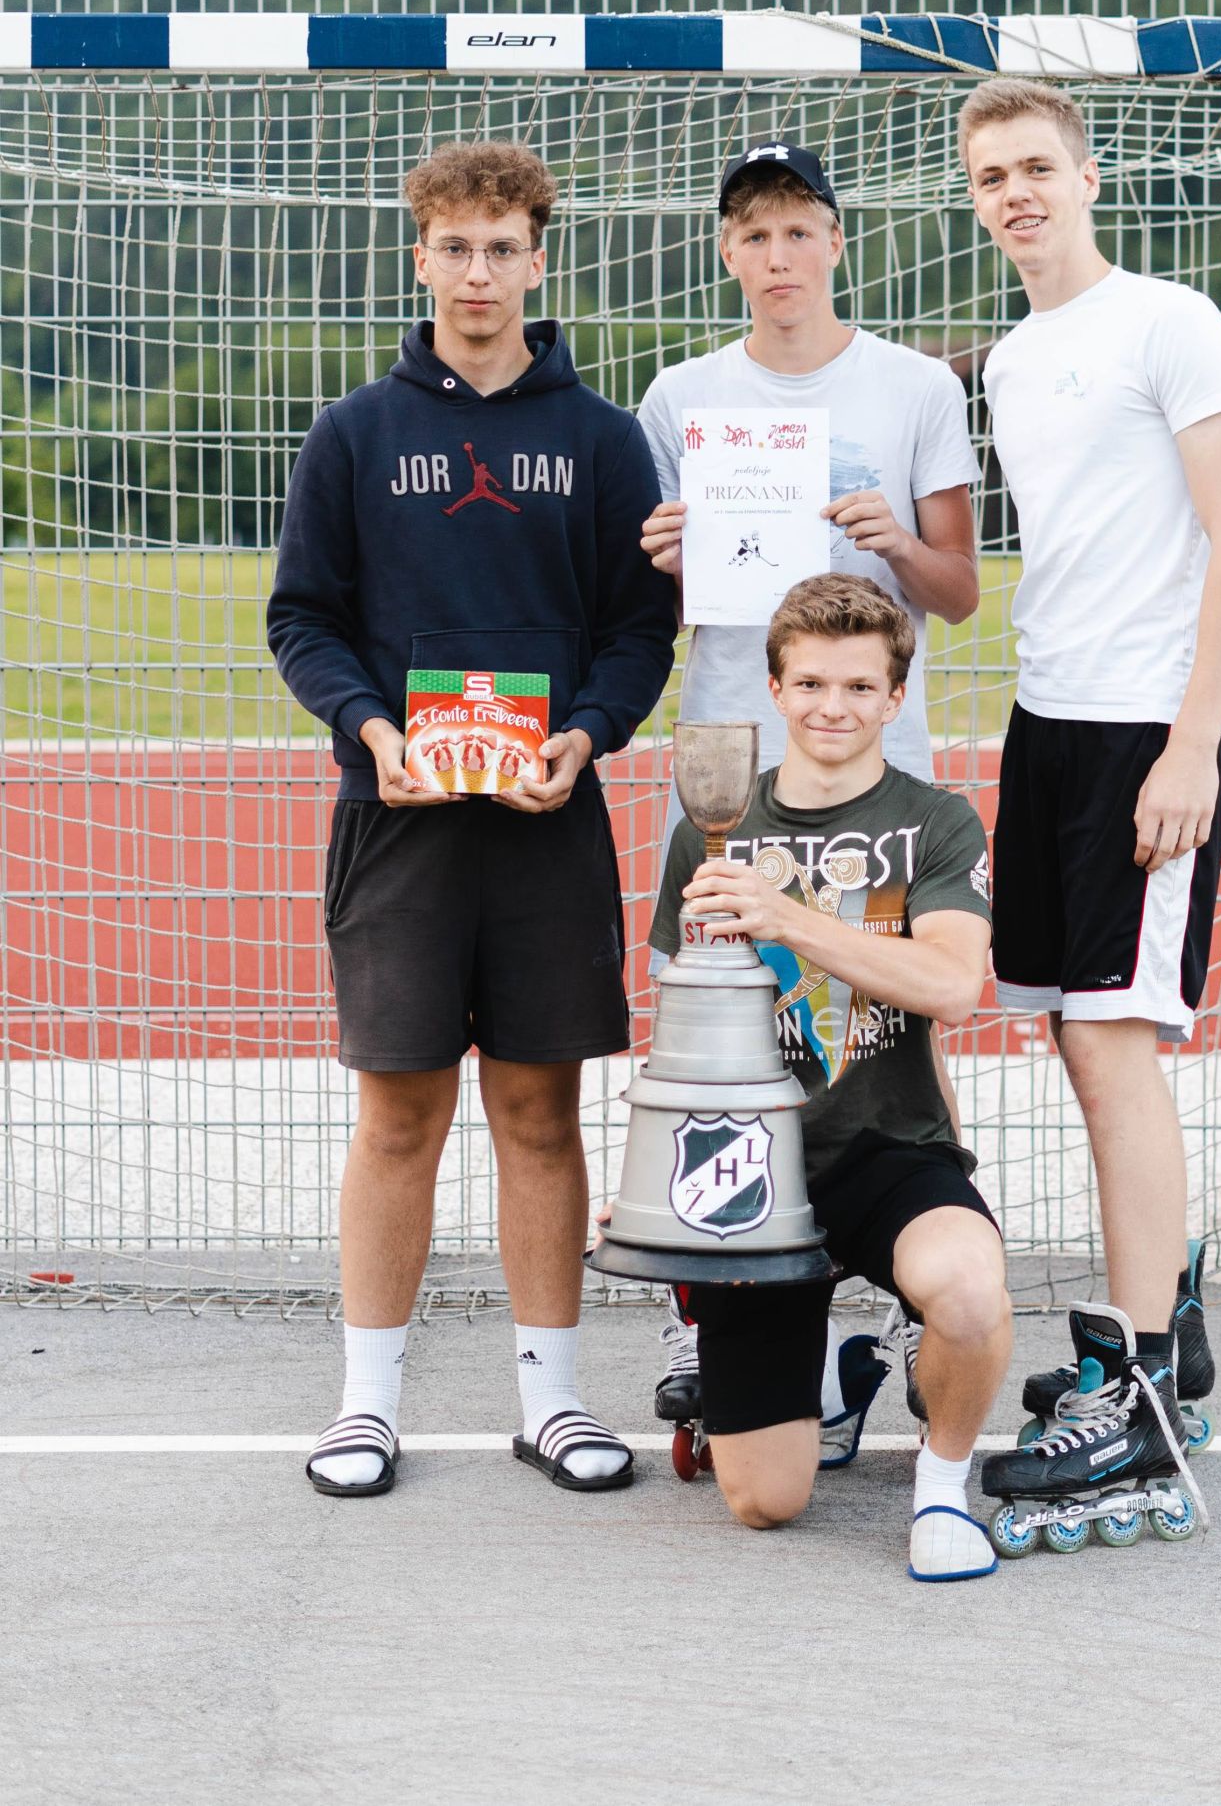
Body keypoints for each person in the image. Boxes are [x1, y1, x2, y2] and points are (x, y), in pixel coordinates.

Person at [268, 140, 677, 1500]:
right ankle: (363, 1404)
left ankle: (551, 1401)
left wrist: (586, 732)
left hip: (545, 817)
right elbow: (303, 619)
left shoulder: (601, 440)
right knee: (398, 1112)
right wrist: (373, 731)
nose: (479, 271)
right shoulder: (354, 434)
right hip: (398, 817)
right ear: (420, 259)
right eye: (455, 247)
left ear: (538, 262)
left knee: (539, 1112)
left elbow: (638, 629)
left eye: (502, 247)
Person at [958, 77, 1221, 1536]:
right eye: (990, 177)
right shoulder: (1014, 359)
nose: (1015, 193)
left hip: (1149, 726)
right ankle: (1163, 1319)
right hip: (1049, 722)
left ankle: (1137, 1389)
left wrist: (1192, 744)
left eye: (1035, 166)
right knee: (1074, 1036)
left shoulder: (1167, 319)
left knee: (1111, 1038)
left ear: (1085, 177)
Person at [635, 140, 984, 1439]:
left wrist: (896, 541)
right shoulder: (680, 395)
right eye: (751, 233)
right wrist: (660, 558)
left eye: (796, 230)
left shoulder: (912, 388)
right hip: (730, 757)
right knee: (721, 1020)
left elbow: (957, 590)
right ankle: (724, 1301)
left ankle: (911, 1296)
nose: (775, 255)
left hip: (873, 761)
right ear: (725, 250)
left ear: (835, 241)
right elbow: (668, 602)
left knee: (894, 1024)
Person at [650, 575, 1009, 1582]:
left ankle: (941, 1489)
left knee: (968, 1290)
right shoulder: (711, 832)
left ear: (894, 696)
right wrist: (658, 1184)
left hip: (885, 1148)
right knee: (764, 1502)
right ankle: (834, 1381)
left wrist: (787, 917)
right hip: (752, 1175)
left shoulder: (935, 822)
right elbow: (677, 1028)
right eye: (809, 683)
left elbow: (951, 985)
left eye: (858, 686)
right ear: (774, 688)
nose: (832, 707)